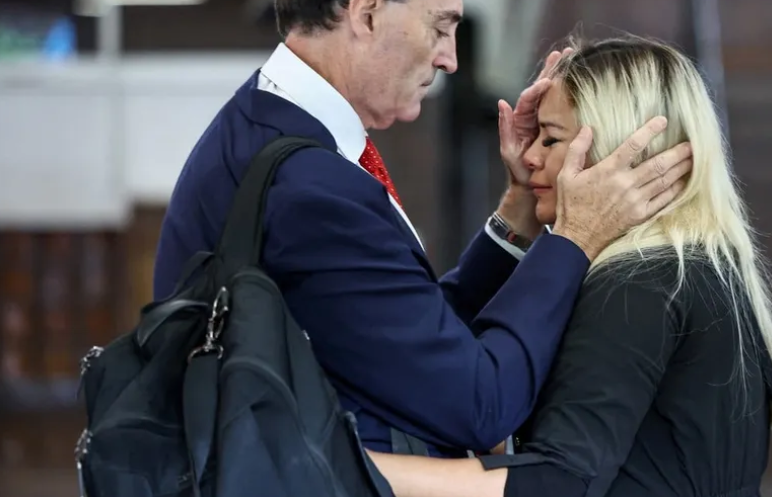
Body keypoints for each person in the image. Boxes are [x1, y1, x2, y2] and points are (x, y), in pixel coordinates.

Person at [152, 0, 693, 459]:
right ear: (366, 13)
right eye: (440, 27)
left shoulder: (272, 126)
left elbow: (408, 338)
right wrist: (574, 240)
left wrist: (520, 211)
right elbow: (479, 404)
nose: (449, 58)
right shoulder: (310, 187)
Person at [364, 35, 772, 497]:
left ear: (619, 150)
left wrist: (348, 466)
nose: (529, 157)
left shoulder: (639, 283)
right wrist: (523, 202)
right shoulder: (695, 267)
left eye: (551, 139)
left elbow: (562, 481)